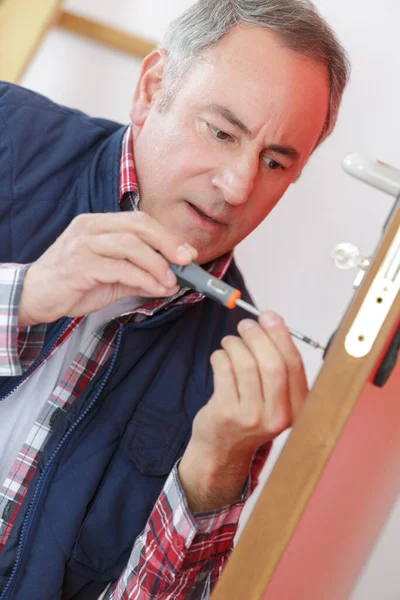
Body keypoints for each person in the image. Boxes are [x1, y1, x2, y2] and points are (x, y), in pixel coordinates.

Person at [0, 0, 350, 598]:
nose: (237, 186)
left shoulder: (236, 392)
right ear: (152, 86)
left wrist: (212, 478)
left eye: (273, 162)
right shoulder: (8, 130)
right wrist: (22, 298)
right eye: (221, 131)